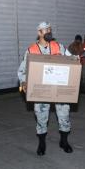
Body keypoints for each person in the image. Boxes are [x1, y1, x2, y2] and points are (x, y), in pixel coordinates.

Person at [18, 22, 74, 156]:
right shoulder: (31, 50)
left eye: (50, 29)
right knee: (41, 117)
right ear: (39, 33)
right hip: (41, 89)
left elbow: (71, 60)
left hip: (59, 87)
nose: (49, 31)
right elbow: (22, 70)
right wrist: (24, 82)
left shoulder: (59, 46)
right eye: (45, 29)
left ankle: (64, 141)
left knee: (64, 115)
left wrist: (73, 59)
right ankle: (42, 143)